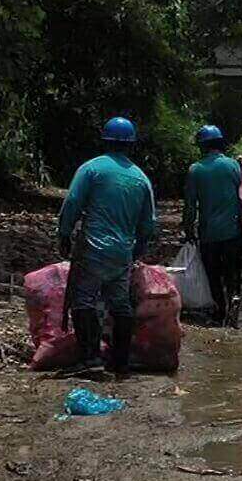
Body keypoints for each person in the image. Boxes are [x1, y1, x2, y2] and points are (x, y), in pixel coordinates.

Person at [57, 117, 158, 375]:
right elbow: (148, 223)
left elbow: (72, 204)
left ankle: (90, 359)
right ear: (131, 145)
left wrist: (64, 234)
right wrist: (137, 250)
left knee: (83, 300)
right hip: (122, 252)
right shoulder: (141, 178)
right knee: (120, 304)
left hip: (92, 247)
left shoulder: (92, 169)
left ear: (105, 140)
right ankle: (120, 362)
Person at [184, 124, 242, 327]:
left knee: (213, 275)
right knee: (233, 271)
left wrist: (188, 230)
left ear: (202, 146)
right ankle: (235, 297)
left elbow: (190, 205)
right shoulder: (234, 166)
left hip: (209, 233)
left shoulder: (196, 170)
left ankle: (219, 312)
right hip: (234, 231)